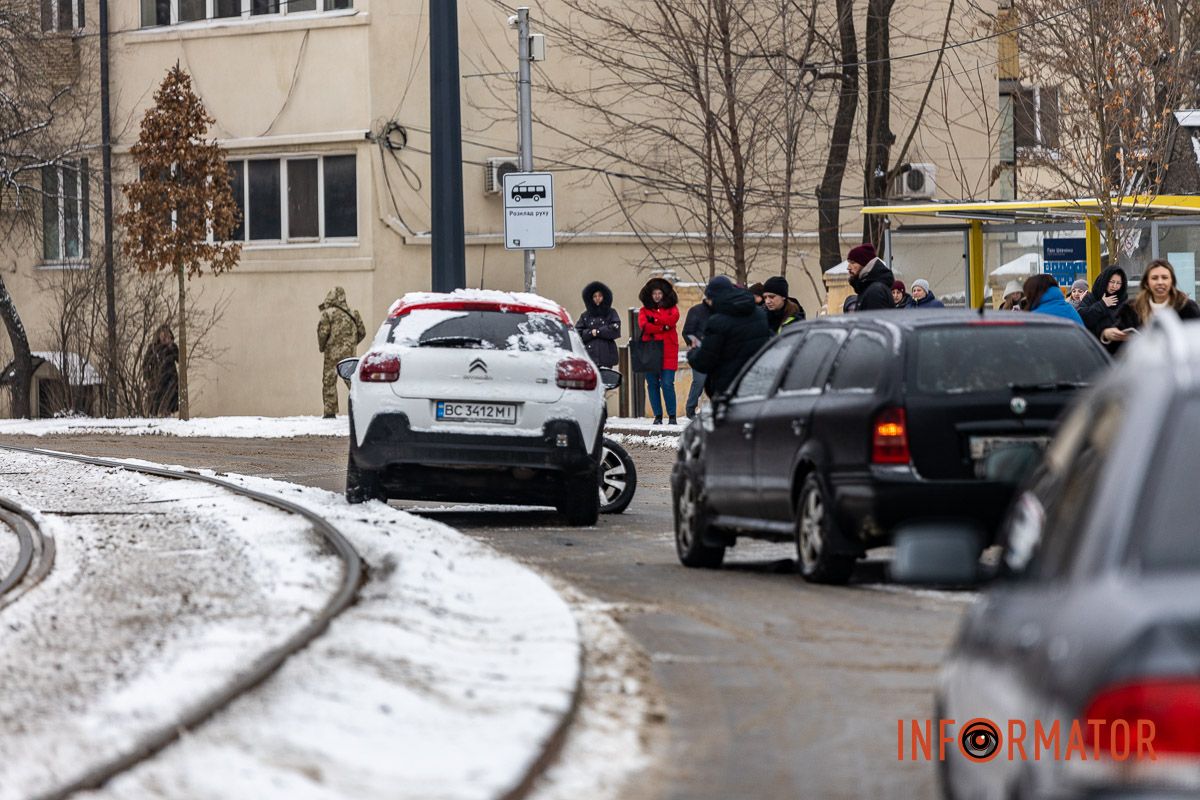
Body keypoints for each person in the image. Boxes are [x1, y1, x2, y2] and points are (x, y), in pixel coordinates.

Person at [687, 275, 770, 397]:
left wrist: (692, 352)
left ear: (714, 298)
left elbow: (704, 361)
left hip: (729, 391)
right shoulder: (759, 314)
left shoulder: (718, 322)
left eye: (709, 299)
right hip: (758, 386)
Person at [1101, 259, 1200, 350]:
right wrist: (1107, 334)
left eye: (1165, 278)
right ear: (1146, 282)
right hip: (1143, 366)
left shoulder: (1187, 308)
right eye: (1154, 278)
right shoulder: (1131, 309)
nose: (1160, 282)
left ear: (1172, 281)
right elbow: (1116, 348)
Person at [317, 286, 366, 418]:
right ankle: (361, 406)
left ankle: (330, 412)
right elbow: (362, 332)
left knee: (329, 380)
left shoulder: (328, 313)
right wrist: (351, 343)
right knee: (352, 380)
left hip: (331, 354)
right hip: (349, 353)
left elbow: (323, 333)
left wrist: (323, 347)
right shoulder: (353, 313)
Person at [637, 277, 680, 424]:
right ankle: (658, 416)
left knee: (667, 383)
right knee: (652, 384)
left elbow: (673, 319)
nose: (657, 296)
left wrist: (654, 321)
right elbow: (645, 326)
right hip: (651, 351)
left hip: (669, 350)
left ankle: (672, 416)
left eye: (659, 293)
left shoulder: (672, 308)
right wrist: (663, 327)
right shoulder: (643, 311)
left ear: (664, 294)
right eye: (654, 293)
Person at [1078, 266, 1129, 347]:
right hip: (1096, 350)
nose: (1114, 286)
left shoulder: (1124, 301)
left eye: (1118, 283)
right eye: (1111, 282)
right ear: (1104, 281)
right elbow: (1082, 319)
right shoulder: (1091, 298)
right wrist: (1102, 305)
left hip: (1120, 352)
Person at [575, 281, 621, 367]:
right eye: (594, 296)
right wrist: (590, 333)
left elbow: (615, 329)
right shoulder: (585, 316)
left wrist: (599, 332)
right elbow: (577, 334)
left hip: (606, 356)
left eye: (600, 296)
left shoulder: (611, 313)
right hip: (589, 357)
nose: (597, 298)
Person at [682, 297, 712, 419]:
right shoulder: (696, 311)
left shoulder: (722, 311)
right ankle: (690, 408)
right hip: (699, 352)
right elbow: (687, 331)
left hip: (717, 352)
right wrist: (693, 342)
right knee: (699, 381)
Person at [845, 243, 895, 311]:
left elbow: (873, 320)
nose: (848, 267)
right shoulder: (868, 287)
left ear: (865, 263)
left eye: (853, 262)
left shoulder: (875, 291)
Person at [142, 324, 179, 416]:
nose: (164, 338)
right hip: (157, 381)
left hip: (170, 380)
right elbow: (146, 364)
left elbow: (179, 360)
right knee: (157, 403)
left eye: (167, 335)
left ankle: (167, 415)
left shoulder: (172, 347)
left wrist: (171, 347)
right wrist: (148, 378)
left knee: (169, 404)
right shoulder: (153, 348)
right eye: (163, 335)